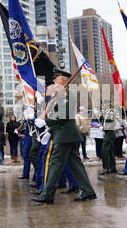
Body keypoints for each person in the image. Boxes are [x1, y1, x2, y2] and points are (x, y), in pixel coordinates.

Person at [32, 69, 97, 204]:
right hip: (64, 133)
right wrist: (50, 130)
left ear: (62, 79)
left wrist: (46, 122)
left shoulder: (68, 93)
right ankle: (88, 191)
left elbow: (65, 114)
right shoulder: (60, 94)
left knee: (55, 165)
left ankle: (47, 195)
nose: (54, 80)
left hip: (65, 135)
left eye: (56, 78)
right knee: (76, 165)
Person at [100, 99, 117, 175]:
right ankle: (113, 167)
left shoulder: (111, 112)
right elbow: (105, 122)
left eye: (104, 104)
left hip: (109, 133)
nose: (103, 106)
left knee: (104, 151)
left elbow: (111, 123)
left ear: (107, 104)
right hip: (108, 133)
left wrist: (104, 128)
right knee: (110, 151)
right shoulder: (107, 112)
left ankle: (106, 168)